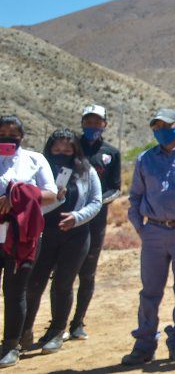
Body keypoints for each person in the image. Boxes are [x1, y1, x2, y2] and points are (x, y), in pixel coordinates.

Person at [121, 109, 175, 365]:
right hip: (154, 232)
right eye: (156, 127)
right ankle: (144, 344)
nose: (161, 131)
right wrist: (140, 227)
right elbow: (135, 196)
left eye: (166, 125)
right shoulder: (145, 159)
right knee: (149, 291)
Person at [22, 129, 102, 356]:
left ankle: (57, 331)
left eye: (67, 148)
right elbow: (31, 200)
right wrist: (55, 198)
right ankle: (24, 332)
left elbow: (96, 201)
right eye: (57, 148)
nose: (62, 152)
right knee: (34, 284)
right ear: (49, 148)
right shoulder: (39, 168)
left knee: (62, 285)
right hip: (43, 234)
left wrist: (76, 218)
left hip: (76, 236)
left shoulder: (87, 170)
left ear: (75, 149)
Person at [0, 115, 57, 368]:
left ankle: (11, 345)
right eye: (2, 132)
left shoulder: (34, 159)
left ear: (22, 136)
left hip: (23, 237)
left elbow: (51, 193)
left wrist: (18, 196)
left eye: (13, 134)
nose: (7, 137)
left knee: (14, 291)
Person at [68, 103, 121, 340]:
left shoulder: (111, 153)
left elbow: (116, 188)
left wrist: (97, 203)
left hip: (96, 223)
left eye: (97, 121)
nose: (92, 125)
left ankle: (78, 322)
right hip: (68, 219)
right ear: (82, 123)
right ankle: (57, 323)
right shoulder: (69, 148)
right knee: (63, 273)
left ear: (105, 124)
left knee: (87, 274)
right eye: (88, 121)